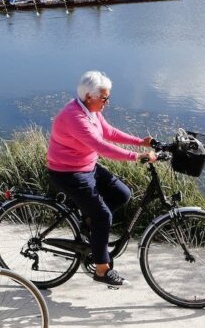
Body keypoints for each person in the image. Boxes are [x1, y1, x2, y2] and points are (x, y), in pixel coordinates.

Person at [45, 71, 156, 287]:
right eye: (104, 98)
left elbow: (108, 132)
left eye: (107, 97)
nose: (107, 102)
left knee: (122, 194)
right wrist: (137, 156)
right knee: (103, 215)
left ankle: (90, 225)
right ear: (89, 96)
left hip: (86, 166)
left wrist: (141, 143)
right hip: (68, 172)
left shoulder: (90, 111)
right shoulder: (74, 117)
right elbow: (101, 146)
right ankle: (102, 270)